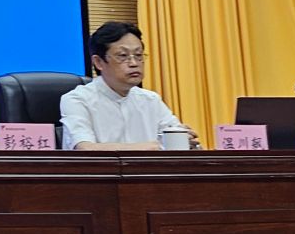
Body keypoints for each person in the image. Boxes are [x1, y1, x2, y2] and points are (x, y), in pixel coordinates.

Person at [59, 22, 197, 150]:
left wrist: (185, 140)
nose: (134, 63)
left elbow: (175, 139)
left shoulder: (151, 100)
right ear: (99, 62)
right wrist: (157, 146)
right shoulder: (77, 100)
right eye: (123, 56)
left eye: (138, 55)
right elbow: (85, 148)